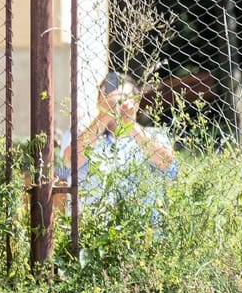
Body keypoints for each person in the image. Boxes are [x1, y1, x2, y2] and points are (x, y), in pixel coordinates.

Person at [62, 71, 177, 213]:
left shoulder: (154, 135)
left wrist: (131, 126)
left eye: (123, 99)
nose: (115, 105)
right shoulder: (78, 134)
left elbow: (167, 163)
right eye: (107, 99)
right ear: (98, 102)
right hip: (89, 228)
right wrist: (104, 117)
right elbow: (69, 163)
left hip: (141, 226)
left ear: (136, 102)